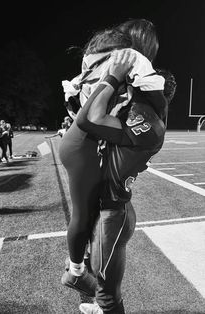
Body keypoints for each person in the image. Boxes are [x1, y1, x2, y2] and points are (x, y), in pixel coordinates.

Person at [59, 18, 168, 306]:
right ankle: (79, 275)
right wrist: (114, 75)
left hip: (109, 198)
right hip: (110, 198)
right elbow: (92, 116)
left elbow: (89, 117)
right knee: (106, 289)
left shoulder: (146, 129)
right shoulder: (140, 119)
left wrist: (113, 76)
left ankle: (79, 273)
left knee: (101, 278)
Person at [76, 53, 176, 314]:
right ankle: (101, 305)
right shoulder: (144, 112)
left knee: (107, 285)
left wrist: (112, 77)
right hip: (109, 206)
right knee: (99, 274)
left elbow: (89, 120)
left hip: (114, 212)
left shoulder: (147, 120)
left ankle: (106, 306)